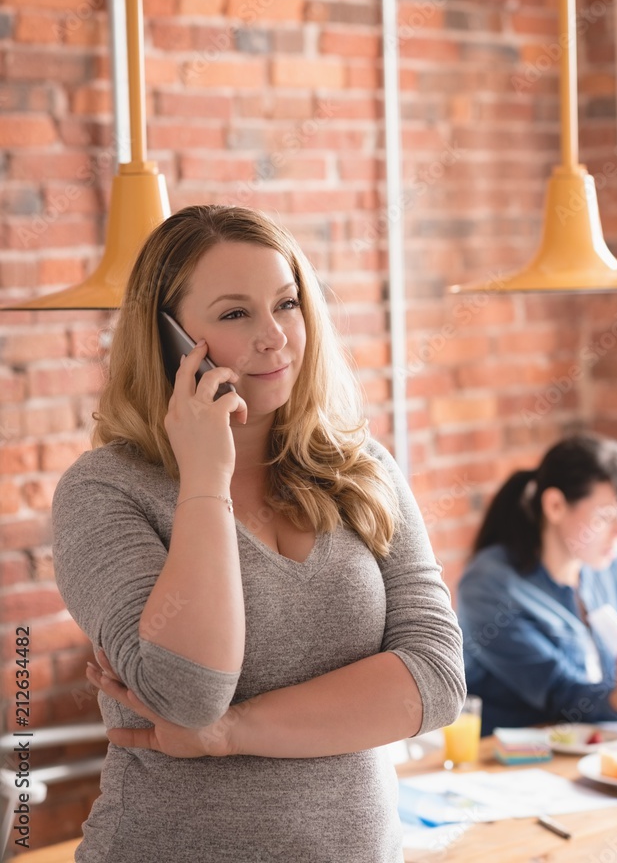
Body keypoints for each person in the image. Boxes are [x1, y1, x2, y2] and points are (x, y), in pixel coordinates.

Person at [51, 204, 465, 863]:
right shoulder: (104, 490)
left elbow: (436, 679)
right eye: (235, 314)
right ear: (167, 339)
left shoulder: (360, 470)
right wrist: (205, 480)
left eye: (287, 303)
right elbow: (188, 694)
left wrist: (232, 732)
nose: (275, 336)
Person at [456, 433, 617, 736]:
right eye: (607, 516)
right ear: (555, 506)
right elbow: (559, 696)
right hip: (517, 761)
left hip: (605, 745)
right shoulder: (488, 586)